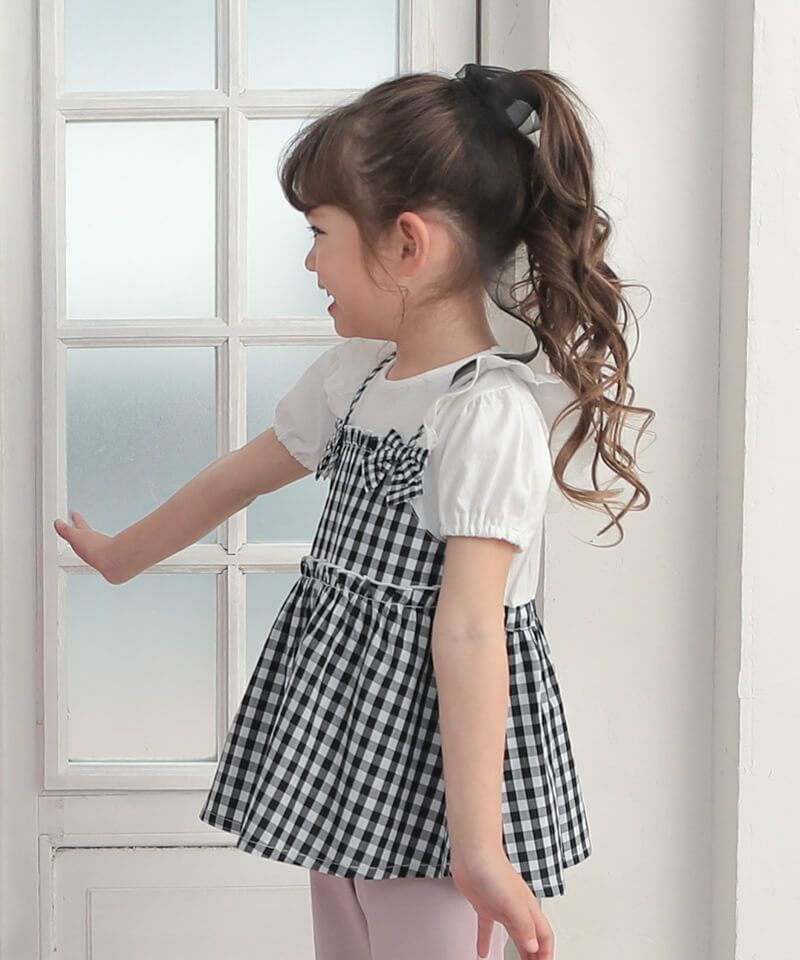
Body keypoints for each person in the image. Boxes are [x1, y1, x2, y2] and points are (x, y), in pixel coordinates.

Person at [54, 63, 653, 960]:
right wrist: (121, 556)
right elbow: (242, 475)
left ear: (408, 245)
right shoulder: (356, 376)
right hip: (346, 739)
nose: (308, 262)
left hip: (434, 764)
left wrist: (479, 848)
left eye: (319, 233)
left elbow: (471, 630)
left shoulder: (483, 413)